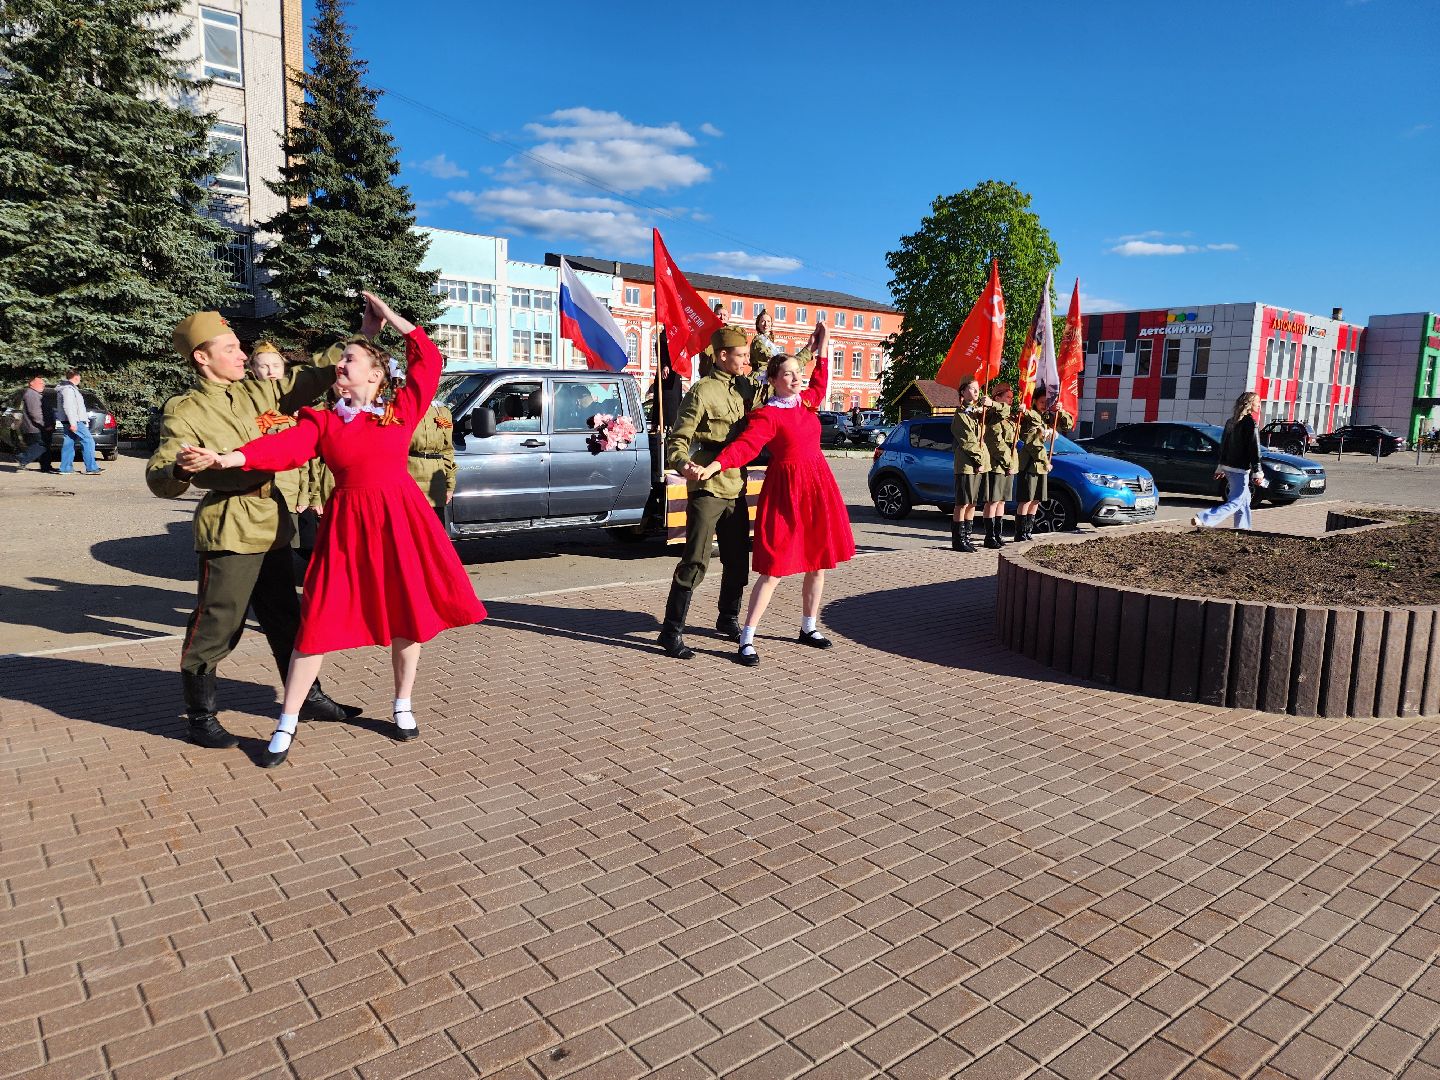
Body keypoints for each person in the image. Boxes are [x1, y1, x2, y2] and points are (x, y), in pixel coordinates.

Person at [177, 293, 486, 768]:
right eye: (342, 359)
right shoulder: (321, 421)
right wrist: (227, 458)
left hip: (401, 522)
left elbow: (429, 360)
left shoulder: (400, 410)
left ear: (376, 375)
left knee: (407, 617)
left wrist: (391, 319)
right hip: (347, 528)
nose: (341, 364)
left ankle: (402, 703)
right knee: (316, 623)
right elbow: (281, 449)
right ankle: (287, 720)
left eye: (351, 359)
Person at [147, 311, 357, 749]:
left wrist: (364, 334)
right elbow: (159, 475)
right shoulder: (185, 409)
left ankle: (308, 697)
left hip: (272, 522)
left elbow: (312, 377)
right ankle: (201, 717)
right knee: (219, 624)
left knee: (287, 619)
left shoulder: (256, 392)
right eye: (231, 349)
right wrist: (181, 468)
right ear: (202, 358)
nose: (243, 356)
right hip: (230, 526)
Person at [690, 339, 855, 667]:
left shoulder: (806, 402)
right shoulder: (768, 415)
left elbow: (820, 381)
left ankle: (808, 627)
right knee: (774, 569)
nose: (796, 378)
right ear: (774, 380)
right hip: (787, 492)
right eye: (788, 374)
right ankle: (747, 637)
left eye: (798, 373)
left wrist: (822, 347)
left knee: (817, 563)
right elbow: (745, 446)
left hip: (817, 488)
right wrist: (715, 465)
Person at [659, 324, 812, 658]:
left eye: (746, 354)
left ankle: (727, 618)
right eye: (740, 355)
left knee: (738, 560)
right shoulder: (702, 391)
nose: (745, 360)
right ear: (722, 355)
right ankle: (670, 632)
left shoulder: (746, 386)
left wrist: (809, 350)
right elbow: (678, 439)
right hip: (707, 485)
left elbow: (780, 375)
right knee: (695, 561)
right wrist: (684, 464)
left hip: (735, 482)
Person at [246, 343, 308, 554]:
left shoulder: (296, 403)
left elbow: (305, 457)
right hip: (254, 490)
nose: (271, 371)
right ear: (253, 370)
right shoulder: (245, 402)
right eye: (264, 366)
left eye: (276, 365)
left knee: (286, 548)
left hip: (288, 489)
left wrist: (305, 494)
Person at [1194, 392, 1265, 530]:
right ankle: (1204, 518)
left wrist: (1220, 466)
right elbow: (1254, 449)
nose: (1259, 405)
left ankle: (1243, 529)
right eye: (1258, 402)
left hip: (1228, 467)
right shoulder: (1250, 423)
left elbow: (1224, 446)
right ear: (1250, 404)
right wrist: (1258, 472)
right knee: (1236, 501)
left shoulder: (1231, 422)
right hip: (1240, 469)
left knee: (1245, 500)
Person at [1013, 386, 1074, 541]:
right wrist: (1045, 461)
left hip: (1040, 467)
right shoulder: (1030, 416)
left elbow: (1067, 425)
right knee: (1026, 499)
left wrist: (1061, 411)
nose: (1044, 405)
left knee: (1036, 499)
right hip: (1029, 464)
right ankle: (1020, 532)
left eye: (1047, 403)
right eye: (1041, 402)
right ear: (1034, 401)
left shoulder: (1046, 417)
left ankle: (1028, 531)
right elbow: (1032, 443)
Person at [948, 375, 988, 552]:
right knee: (962, 503)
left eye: (978, 388)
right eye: (972, 388)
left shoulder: (978, 413)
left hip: (977, 464)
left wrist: (989, 405)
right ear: (963, 392)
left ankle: (967, 537)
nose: (977, 391)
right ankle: (958, 540)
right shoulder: (961, 414)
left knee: (972, 503)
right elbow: (968, 441)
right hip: (966, 464)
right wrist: (979, 460)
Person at [408, 397, 457, 528]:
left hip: (435, 487)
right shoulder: (402, 408)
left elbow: (447, 450)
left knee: (436, 532)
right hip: (410, 482)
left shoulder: (441, 411)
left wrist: (450, 484)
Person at [980, 383, 1018, 548]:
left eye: (1011, 398)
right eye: (1007, 397)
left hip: (1008, 464)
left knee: (1002, 501)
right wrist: (1008, 463)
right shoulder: (993, 418)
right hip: (997, 464)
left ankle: (997, 534)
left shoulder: (1007, 417)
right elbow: (996, 444)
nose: (1011, 400)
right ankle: (989, 537)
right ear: (997, 397)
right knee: (993, 501)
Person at [56, 369, 101, 475]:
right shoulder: (68, 389)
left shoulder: (67, 388)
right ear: (76, 377)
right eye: (79, 377)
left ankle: (66, 468)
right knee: (88, 440)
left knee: (69, 443)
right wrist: (73, 423)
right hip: (74, 420)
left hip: (69, 420)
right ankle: (91, 468)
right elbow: (69, 407)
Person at [15, 375, 55, 473]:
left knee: (46, 446)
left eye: (43, 383)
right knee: (41, 445)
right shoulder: (31, 394)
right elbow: (35, 413)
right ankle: (22, 458)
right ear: (31, 383)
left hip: (40, 426)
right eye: (40, 383)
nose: (43, 384)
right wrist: (45, 425)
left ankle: (46, 466)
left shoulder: (37, 394)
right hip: (36, 427)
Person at [647, 359, 683, 433]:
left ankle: (669, 426)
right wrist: (664, 365)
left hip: (673, 375)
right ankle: (658, 425)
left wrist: (666, 365)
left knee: (671, 402)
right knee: (660, 401)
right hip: (665, 374)